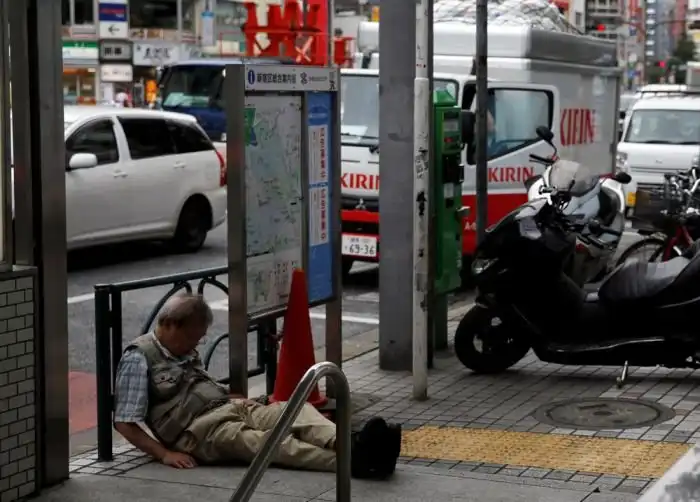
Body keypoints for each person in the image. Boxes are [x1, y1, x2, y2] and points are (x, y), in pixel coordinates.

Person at [113, 293, 401, 478]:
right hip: (199, 432)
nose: (195, 344)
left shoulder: (182, 348)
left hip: (229, 407)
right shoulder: (139, 357)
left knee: (294, 411)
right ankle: (358, 462)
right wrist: (164, 454)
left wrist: (235, 399)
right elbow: (124, 421)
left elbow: (198, 384)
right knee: (270, 443)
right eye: (192, 337)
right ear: (171, 325)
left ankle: (354, 443)